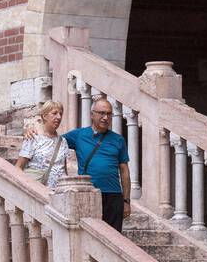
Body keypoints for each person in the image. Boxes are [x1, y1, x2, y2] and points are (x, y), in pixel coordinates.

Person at [23, 97, 130, 230]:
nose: (105, 117)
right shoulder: (79, 135)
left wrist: (126, 201)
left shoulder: (118, 139)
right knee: (88, 234)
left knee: (115, 237)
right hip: (87, 193)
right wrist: (31, 129)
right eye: (101, 113)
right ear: (92, 114)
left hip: (113, 195)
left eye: (109, 114)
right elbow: (52, 138)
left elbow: (124, 170)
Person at [15, 100, 68, 189]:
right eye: (54, 113)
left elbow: (63, 169)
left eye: (60, 114)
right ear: (44, 116)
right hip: (37, 192)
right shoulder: (33, 137)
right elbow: (18, 167)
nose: (58, 117)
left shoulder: (63, 141)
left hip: (58, 193)